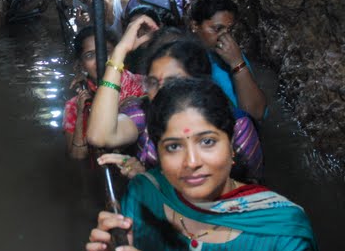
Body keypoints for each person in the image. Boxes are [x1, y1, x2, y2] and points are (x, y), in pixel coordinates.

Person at [86, 78, 321, 251]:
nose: (192, 162)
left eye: (207, 142)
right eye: (173, 147)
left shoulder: (283, 235)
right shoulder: (144, 195)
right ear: (158, 153)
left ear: (232, 146)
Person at [87, 18, 263, 182]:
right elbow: (100, 136)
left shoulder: (237, 126)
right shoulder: (144, 112)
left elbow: (246, 193)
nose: (162, 91)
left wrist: (153, 183)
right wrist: (120, 52)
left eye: (173, 81)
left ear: (198, 82)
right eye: (154, 83)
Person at [63, 26, 145, 159]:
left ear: (118, 53)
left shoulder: (141, 86)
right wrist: (81, 115)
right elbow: (77, 157)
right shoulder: (75, 105)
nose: (100, 61)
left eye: (106, 52)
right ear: (82, 64)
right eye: (90, 56)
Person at [190, 0, 267, 121]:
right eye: (217, 29)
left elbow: (256, 114)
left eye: (229, 30)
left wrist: (237, 63)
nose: (225, 37)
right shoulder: (184, 62)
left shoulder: (233, 55)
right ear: (195, 26)